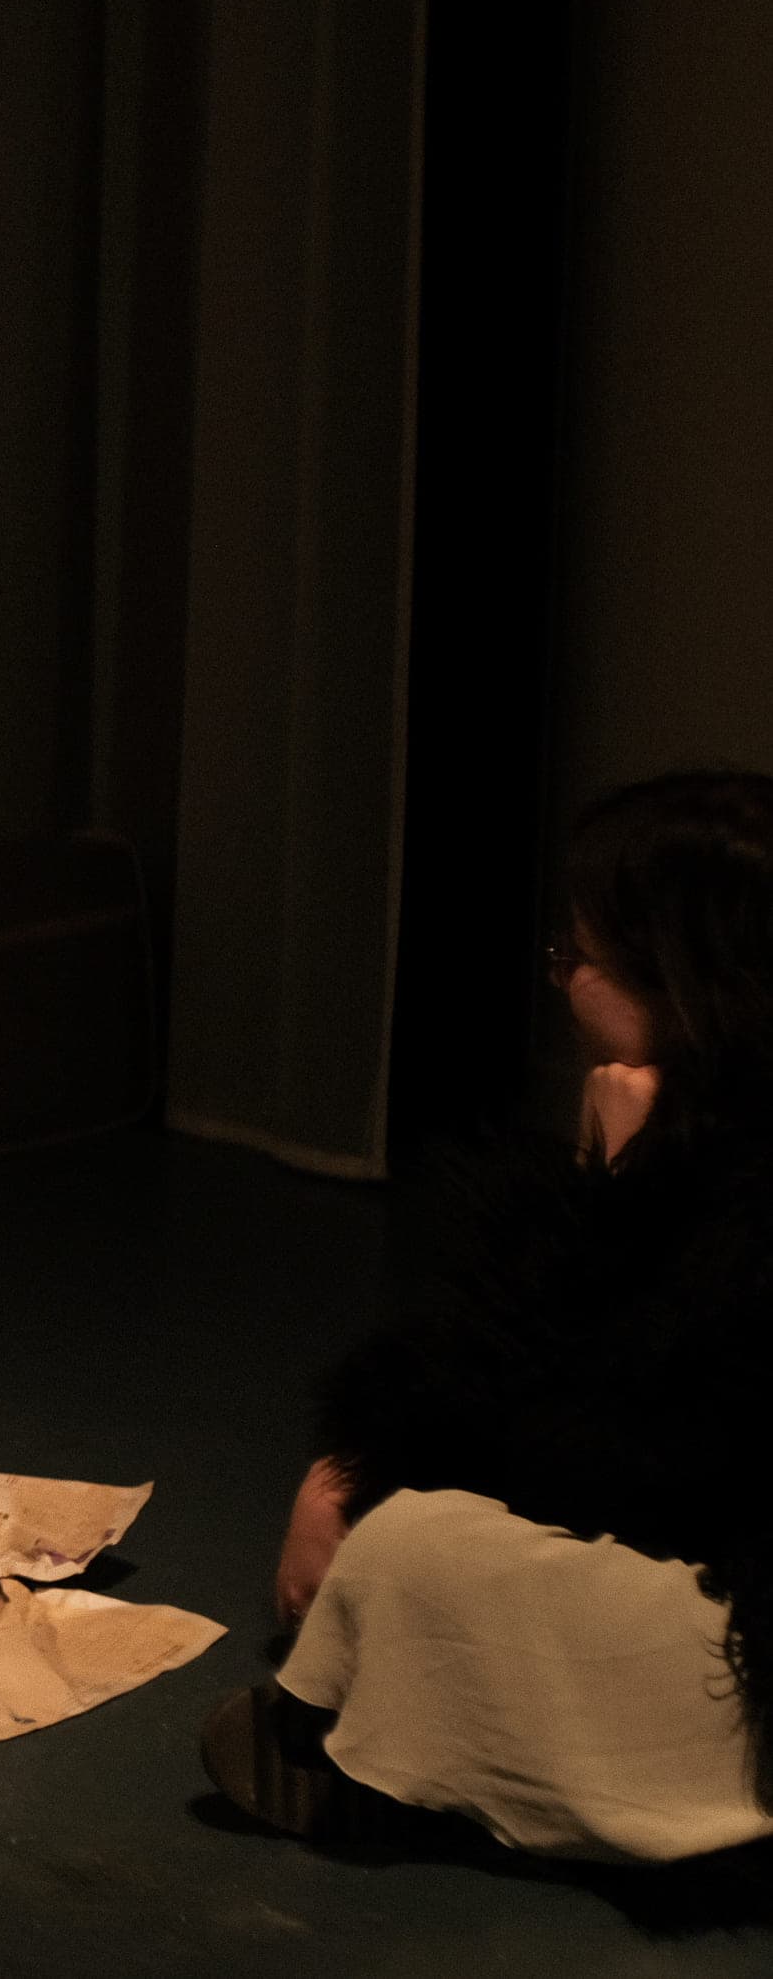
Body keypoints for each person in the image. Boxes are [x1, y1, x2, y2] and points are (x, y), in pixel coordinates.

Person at [206, 770, 773, 1863]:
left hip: (739, 1605)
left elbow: (620, 1462)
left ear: (687, 983)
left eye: (581, 960)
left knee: (422, 1549)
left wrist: (613, 1199)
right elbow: (489, 1381)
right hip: (690, 1527)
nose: (561, 987)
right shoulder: (700, 1119)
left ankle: (411, 1771)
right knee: (410, 1523)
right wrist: (347, 1462)